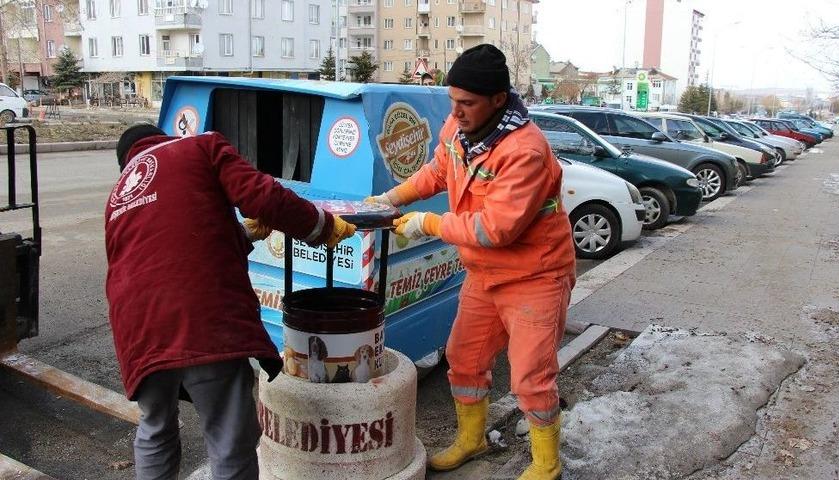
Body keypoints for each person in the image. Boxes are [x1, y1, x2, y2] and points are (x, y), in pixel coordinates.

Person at [368, 44, 575, 480]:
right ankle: (472, 439)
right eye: (452, 101)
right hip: (485, 273)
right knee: (463, 360)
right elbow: (438, 171)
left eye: (466, 103)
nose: (456, 112)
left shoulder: (525, 151)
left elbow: (494, 229)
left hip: (535, 277)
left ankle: (547, 465)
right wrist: (391, 198)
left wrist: (426, 223)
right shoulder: (460, 128)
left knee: (530, 379)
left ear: (499, 101)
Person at [105, 124, 356, 480]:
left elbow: (162, 253)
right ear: (164, 138)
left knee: (155, 428)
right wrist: (321, 226)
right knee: (228, 437)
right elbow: (264, 197)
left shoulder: (118, 194)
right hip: (200, 317)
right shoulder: (198, 147)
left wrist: (242, 234)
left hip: (137, 328)